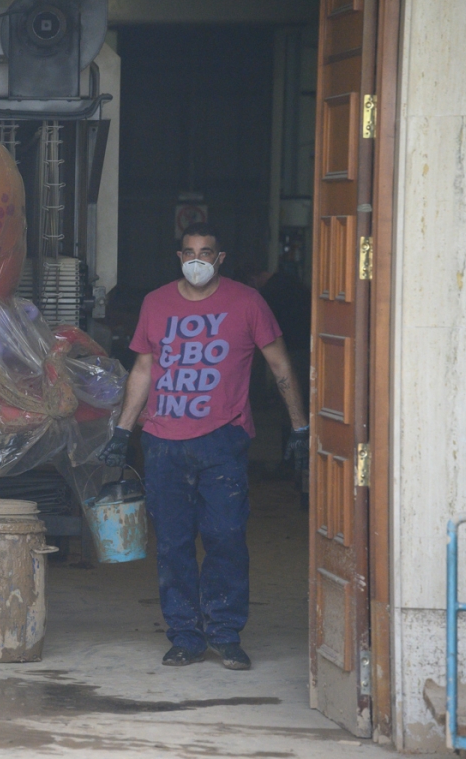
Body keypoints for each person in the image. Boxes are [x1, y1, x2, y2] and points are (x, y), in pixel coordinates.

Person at [99, 224, 309, 671]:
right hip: (162, 443)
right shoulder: (156, 303)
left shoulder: (247, 302)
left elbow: (279, 364)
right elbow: (143, 369)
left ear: (220, 258)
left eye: (206, 252)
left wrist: (299, 428)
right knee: (173, 544)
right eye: (190, 252)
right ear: (179, 257)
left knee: (226, 537)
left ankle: (226, 633)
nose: (197, 260)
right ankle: (186, 636)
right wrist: (122, 432)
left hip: (223, 439)